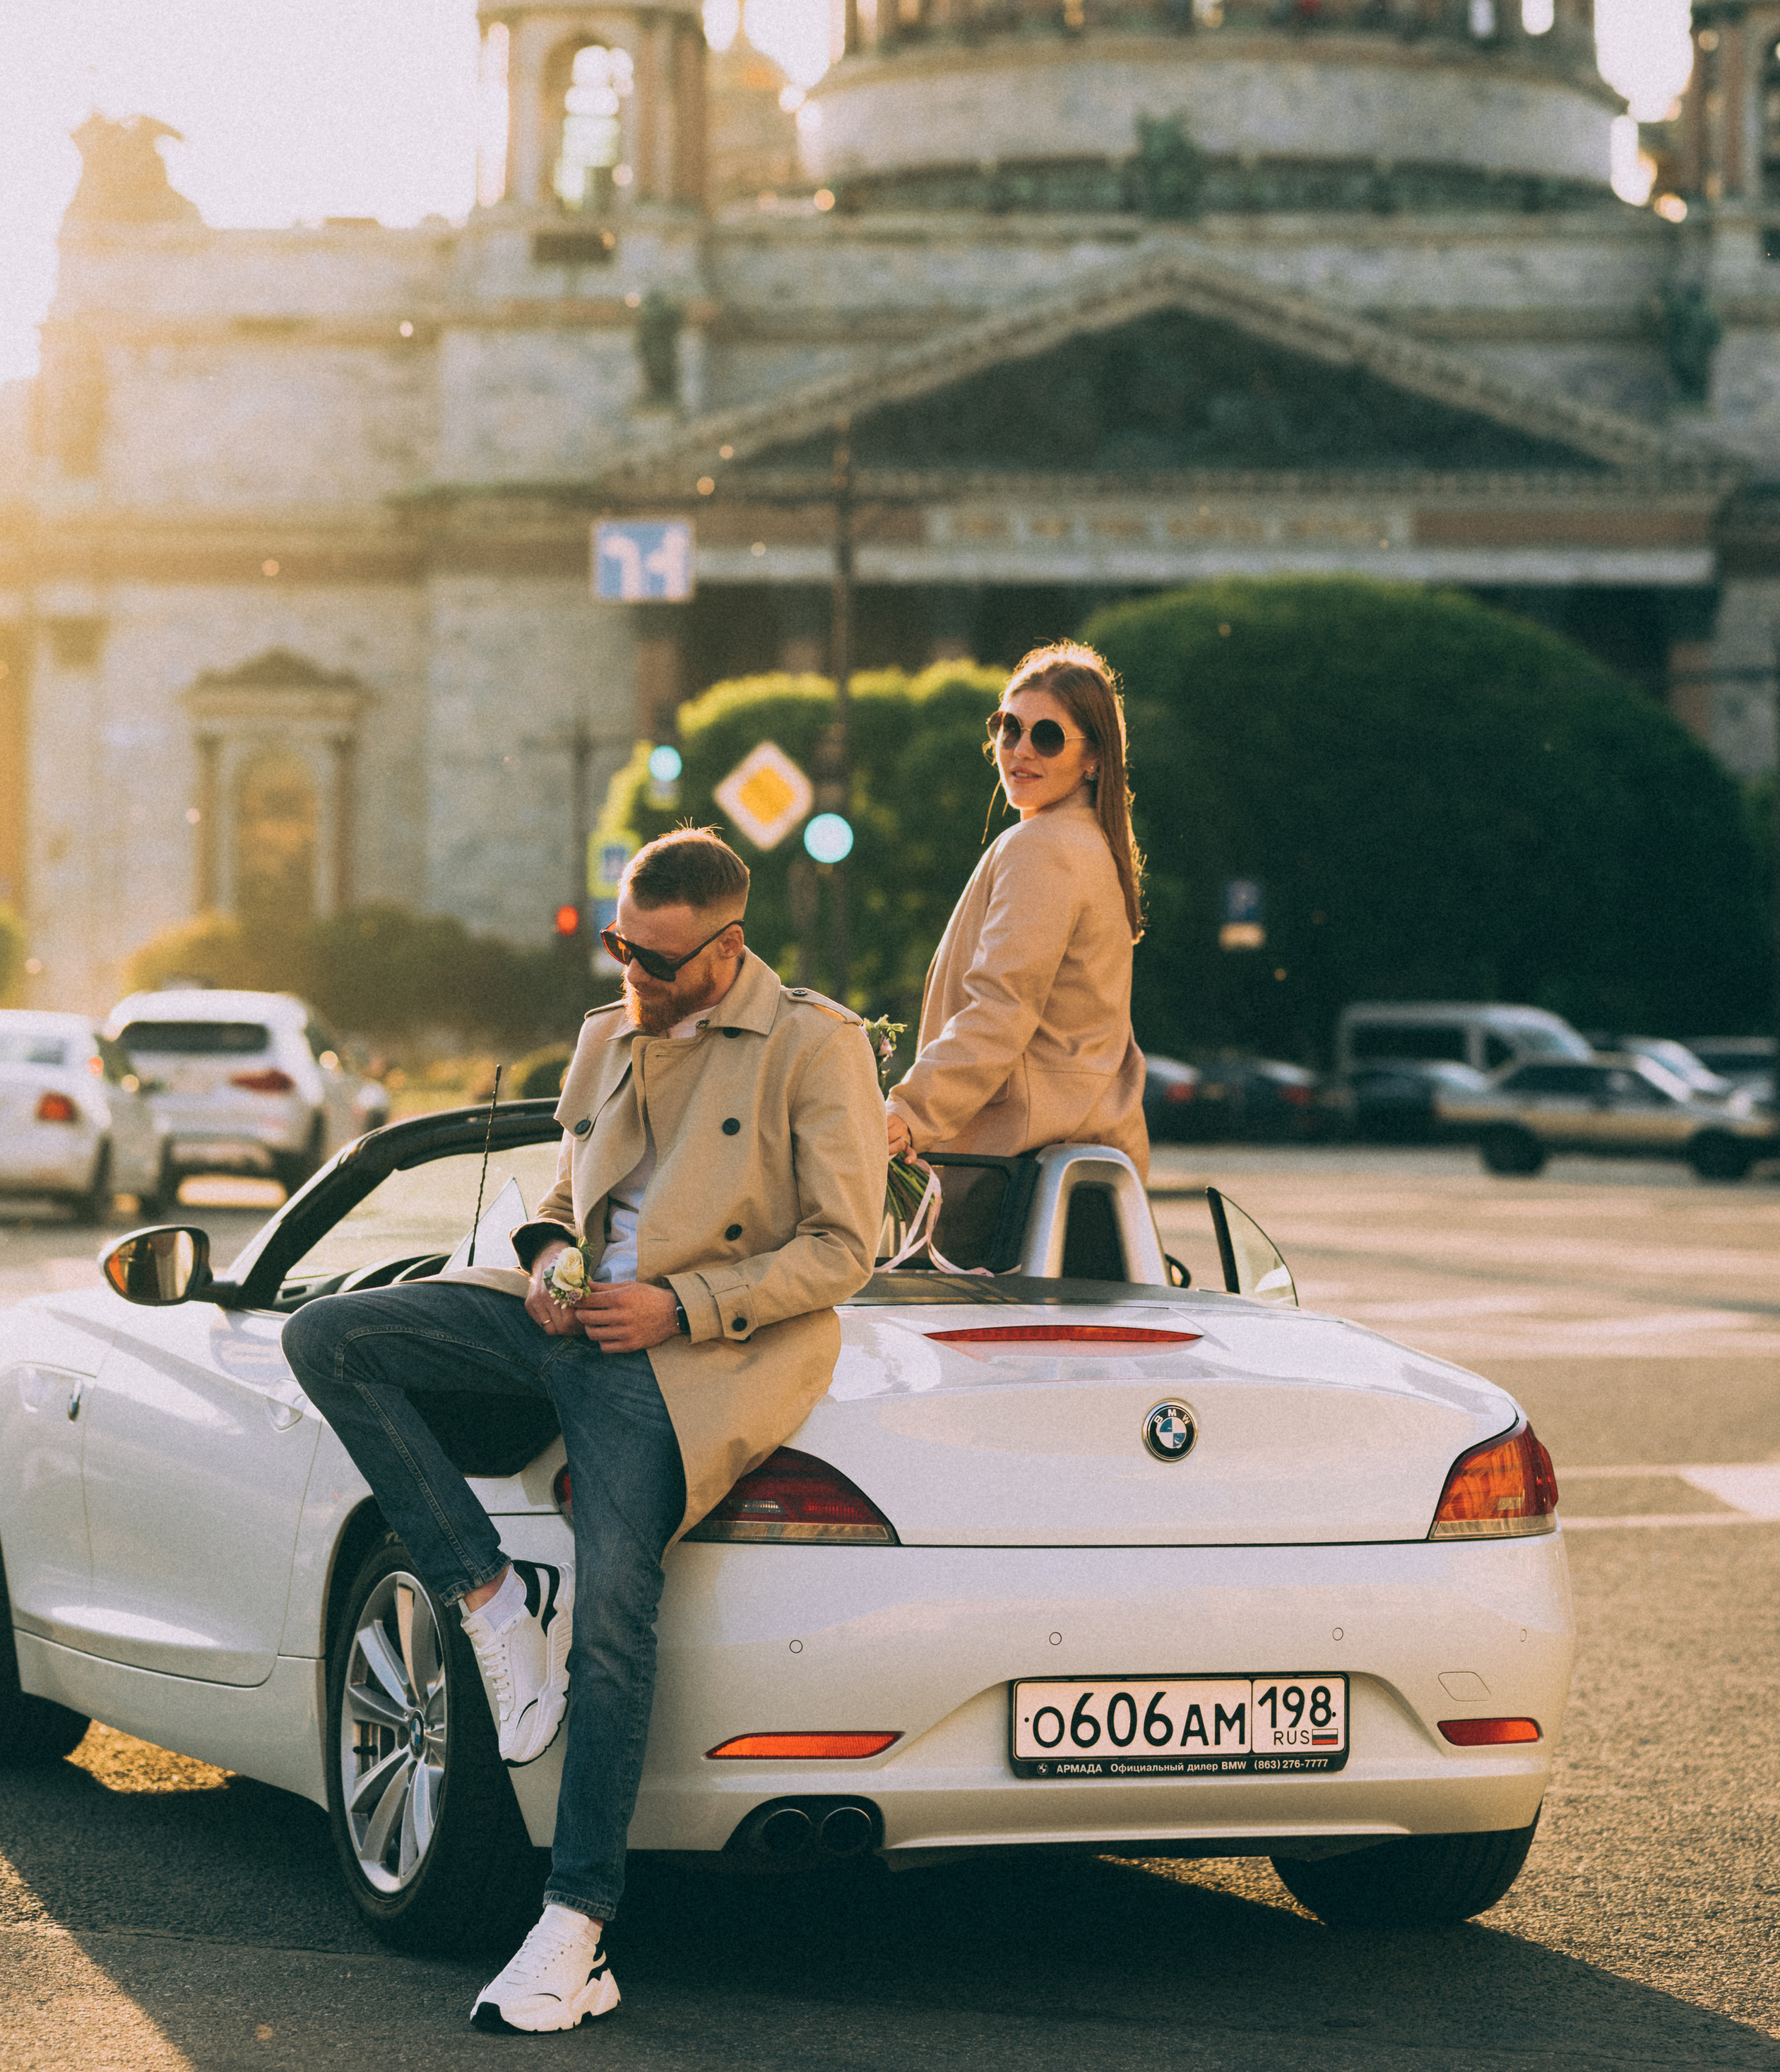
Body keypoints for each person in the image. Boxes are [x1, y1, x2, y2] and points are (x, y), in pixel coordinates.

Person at [284, 827, 886, 2037]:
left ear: (725, 951)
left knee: (617, 1610)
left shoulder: (816, 1044)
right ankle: (491, 1603)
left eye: (657, 958)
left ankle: (575, 1928)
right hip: (562, 1324)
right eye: (620, 942)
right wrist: (552, 1260)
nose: (632, 972)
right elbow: (561, 1203)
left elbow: (843, 1247)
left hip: (691, 1356)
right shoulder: (608, 1034)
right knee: (329, 1337)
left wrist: (681, 1302)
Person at [884, 640, 1148, 1186]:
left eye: (1047, 737)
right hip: (1079, 1152)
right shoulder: (1095, 845)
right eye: (1009, 728)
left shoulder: (1041, 845)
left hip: (1012, 1163)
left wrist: (908, 1115)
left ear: (1094, 757)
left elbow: (1001, 1009)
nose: (1021, 749)